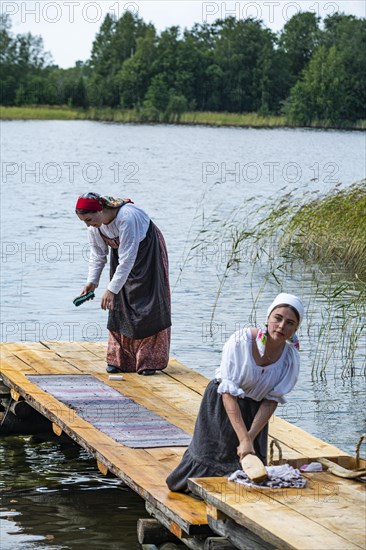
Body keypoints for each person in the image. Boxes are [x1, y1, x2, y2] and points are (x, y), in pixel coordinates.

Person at [166, 292, 304, 492]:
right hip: (223, 404)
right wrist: (244, 439)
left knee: (249, 466)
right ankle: (194, 489)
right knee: (211, 457)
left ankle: (232, 501)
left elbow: (270, 401)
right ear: (268, 318)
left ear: (296, 328)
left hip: (254, 412)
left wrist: (250, 437)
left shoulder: (290, 359)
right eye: (278, 318)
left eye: (290, 323)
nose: (282, 326)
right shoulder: (241, 341)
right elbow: (228, 393)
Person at [75, 192, 171, 376]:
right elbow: (98, 255)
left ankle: (148, 361)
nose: (88, 224)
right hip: (123, 255)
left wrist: (111, 289)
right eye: (84, 221)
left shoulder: (127, 217)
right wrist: (92, 283)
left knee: (147, 303)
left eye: (89, 219)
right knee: (120, 304)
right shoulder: (95, 227)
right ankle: (120, 360)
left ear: (100, 210)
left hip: (148, 252)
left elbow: (128, 258)